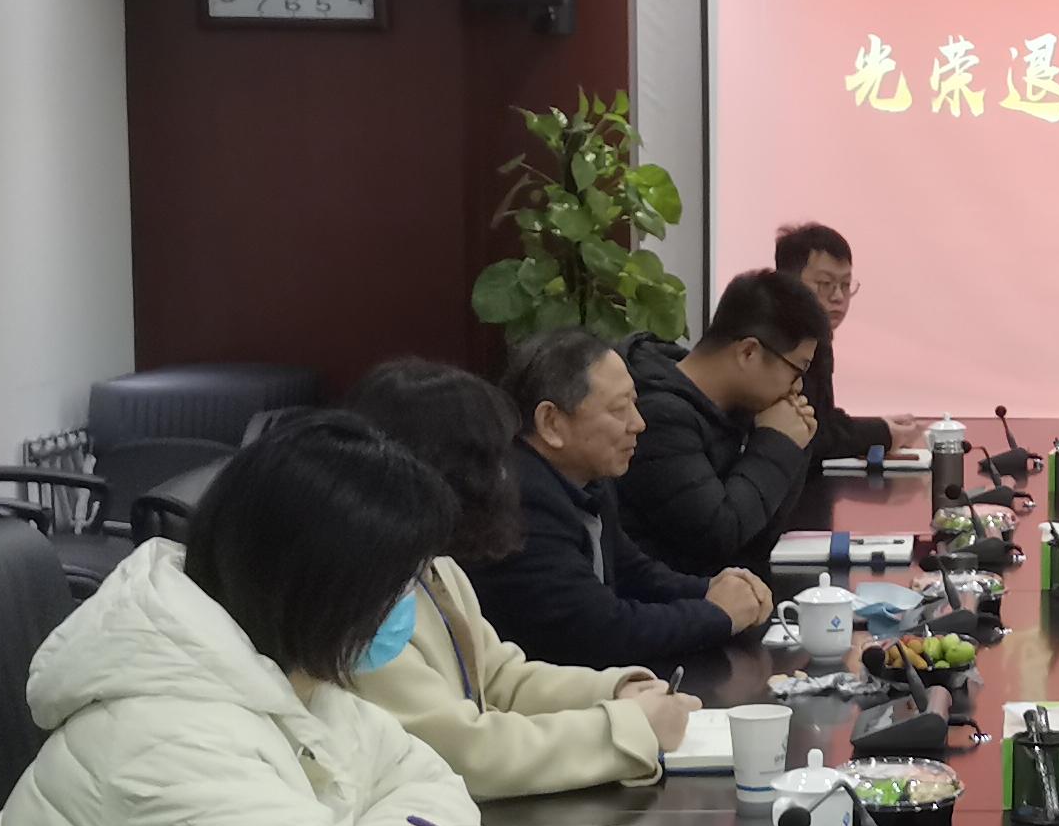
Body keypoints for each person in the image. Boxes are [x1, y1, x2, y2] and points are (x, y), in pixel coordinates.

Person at [0, 414, 511, 826]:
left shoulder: (281, 675)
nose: (404, 607)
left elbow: (418, 776)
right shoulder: (161, 739)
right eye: (395, 586)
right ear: (321, 588)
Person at [344, 358, 705, 799]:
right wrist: (629, 728)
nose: (507, 477)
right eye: (491, 462)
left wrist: (617, 689)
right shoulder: (359, 604)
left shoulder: (435, 567)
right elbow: (465, 754)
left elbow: (501, 679)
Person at [466, 329, 773, 669]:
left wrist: (712, 589)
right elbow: (601, 631)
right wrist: (718, 614)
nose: (638, 424)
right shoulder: (520, 502)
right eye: (618, 409)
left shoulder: (585, 480)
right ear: (551, 422)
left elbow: (632, 573)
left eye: (634, 403)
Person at [618, 269, 832, 577]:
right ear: (748, 352)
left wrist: (793, 444)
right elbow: (719, 537)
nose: (797, 387)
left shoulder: (738, 407)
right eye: (796, 370)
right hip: (669, 598)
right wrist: (777, 443)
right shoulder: (659, 416)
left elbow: (759, 540)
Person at [774, 222, 921, 460]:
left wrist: (882, 426)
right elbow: (810, 436)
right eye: (825, 284)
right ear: (789, 284)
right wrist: (883, 434)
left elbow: (823, 418)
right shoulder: (778, 341)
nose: (838, 296)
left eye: (845, 285)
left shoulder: (818, 336)